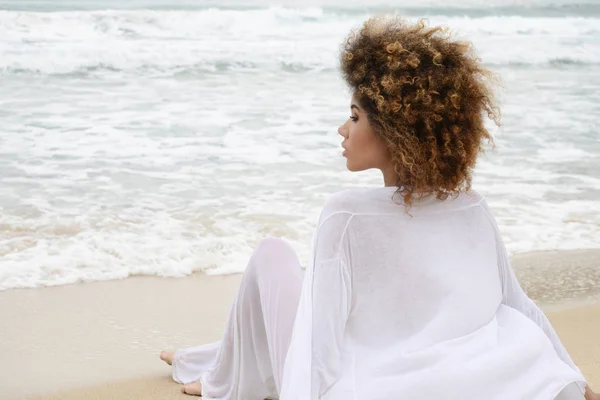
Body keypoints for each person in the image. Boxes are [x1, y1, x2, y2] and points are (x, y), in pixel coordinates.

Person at [159, 16, 598, 400]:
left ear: (393, 131)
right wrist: (575, 379)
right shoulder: (471, 207)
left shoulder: (345, 215)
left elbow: (319, 353)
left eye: (354, 117)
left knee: (272, 254)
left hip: (357, 387)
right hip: (435, 375)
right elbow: (519, 305)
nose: (341, 129)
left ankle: (220, 378)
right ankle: (213, 359)